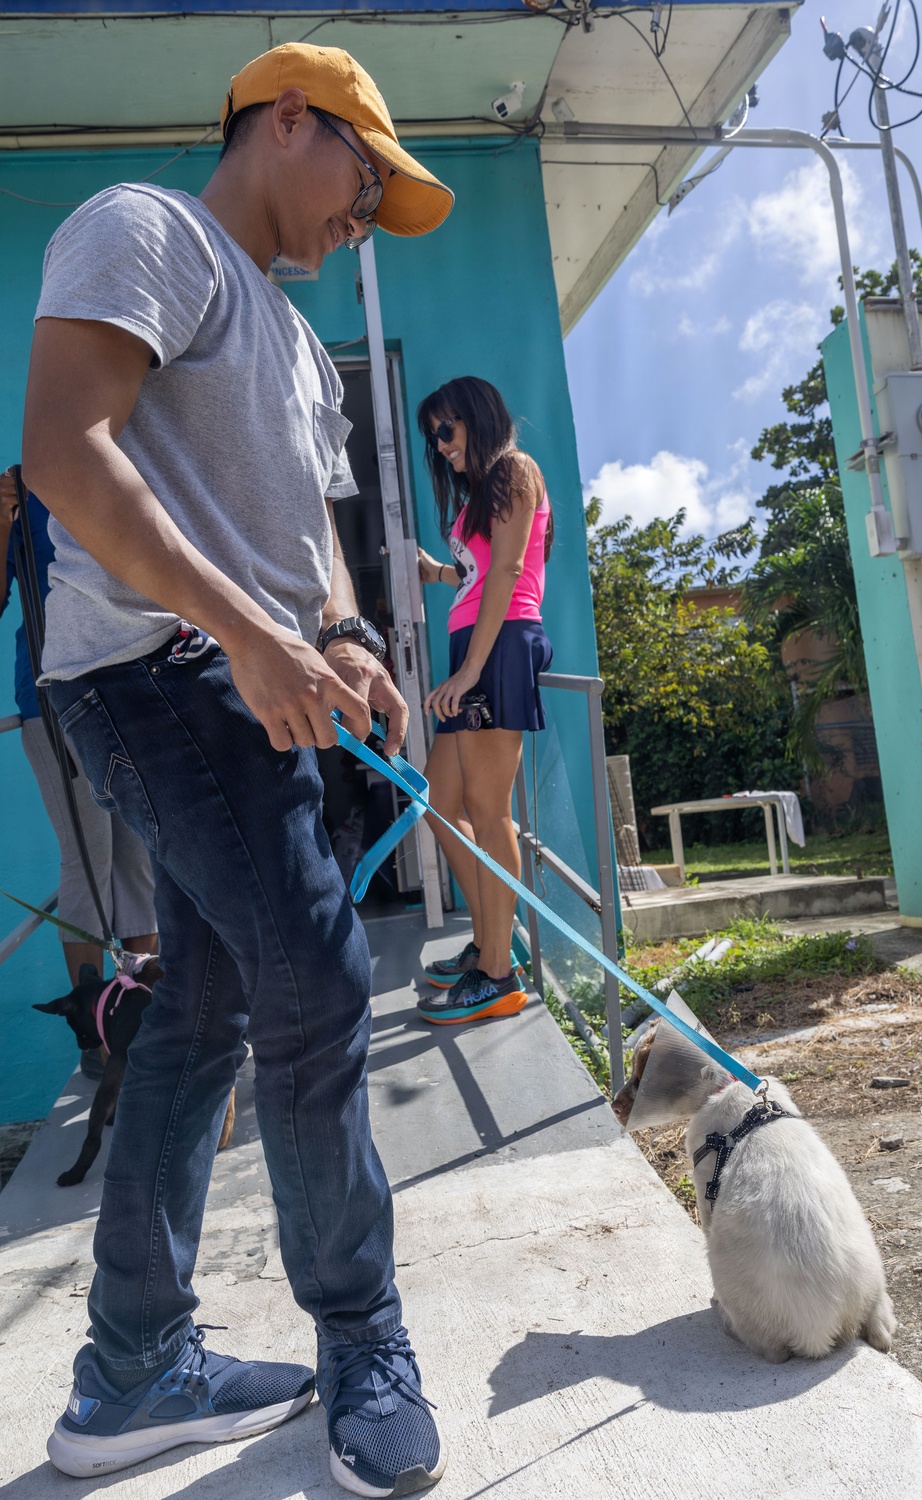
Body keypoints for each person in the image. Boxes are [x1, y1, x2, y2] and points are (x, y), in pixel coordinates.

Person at [22, 43, 453, 1495]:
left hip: (247, 686)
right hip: (154, 679)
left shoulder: (287, 334)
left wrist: (334, 626)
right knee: (321, 988)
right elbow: (64, 453)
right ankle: (363, 1342)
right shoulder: (148, 231)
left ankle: (133, 1373)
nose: (368, 214)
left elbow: (312, 530)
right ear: (286, 123)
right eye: (367, 177)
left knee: (203, 1027)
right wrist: (255, 635)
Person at [414, 377, 553, 1024]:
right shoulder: (481, 492)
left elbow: (509, 570)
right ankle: (491, 940)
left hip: (497, 650)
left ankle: (499, 973)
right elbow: (476, 570)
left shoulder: (515, 470)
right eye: (432, 435)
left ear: (478, 417)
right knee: (441, 803)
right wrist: (437, 572)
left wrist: (471, 670)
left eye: (447, 429)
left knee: (487, 809)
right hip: (472, 647)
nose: (439, 445)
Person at [1, 467, 158, 997]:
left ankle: (147, 1009)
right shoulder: (20, 493)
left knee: (137, 853)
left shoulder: (115, 475)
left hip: (127, 688)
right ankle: (94, 1024)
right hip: (51, 697)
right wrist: (2, 518)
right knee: (90, 855)